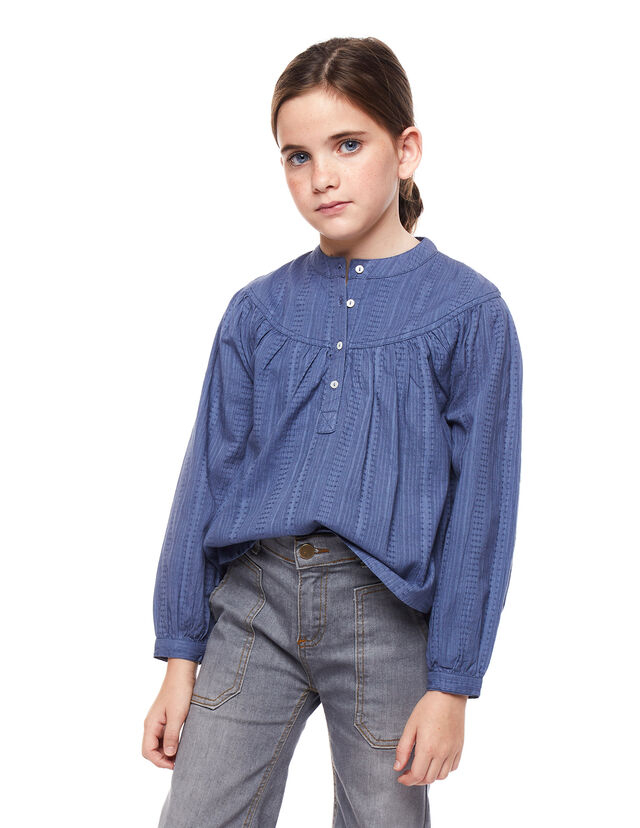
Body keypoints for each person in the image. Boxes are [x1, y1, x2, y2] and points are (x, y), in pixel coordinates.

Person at [142, 35, 523, 828]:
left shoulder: (469, 314)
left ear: (405, 150)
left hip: (386, 615)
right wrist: (179, 657)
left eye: (348, 145)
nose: (322, 176)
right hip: (254, 605)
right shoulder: (256, 312)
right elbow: (204, 482)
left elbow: (481, 512)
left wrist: (452, 684)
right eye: (297, 156)